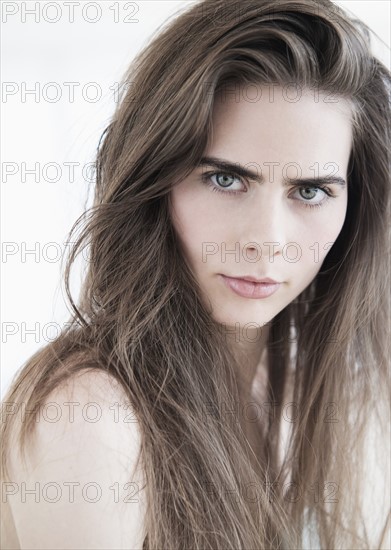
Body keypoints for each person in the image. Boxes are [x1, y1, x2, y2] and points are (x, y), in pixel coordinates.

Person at [1, 0, 390, 548]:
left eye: (310, 191)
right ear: (154, 180)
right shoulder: (92, 419)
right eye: (226, 180)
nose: (268, 240)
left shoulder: (289, 399)